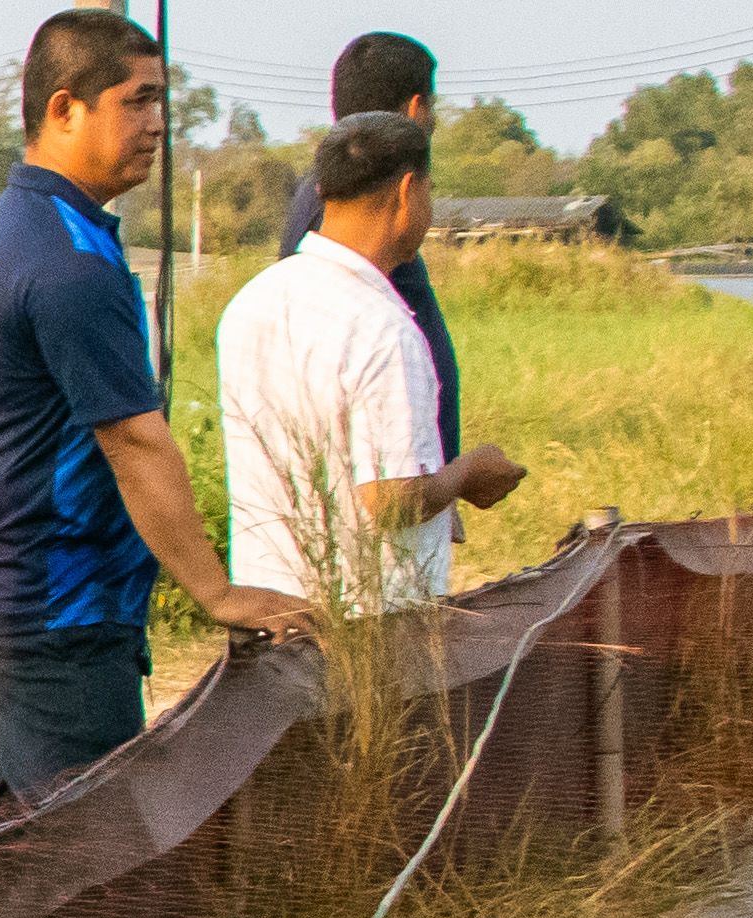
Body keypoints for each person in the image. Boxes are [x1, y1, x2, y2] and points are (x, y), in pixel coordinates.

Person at [0, 9, 312, 822]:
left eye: (161, 104)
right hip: (56, 611)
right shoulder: (71, 263)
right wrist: (216, 592)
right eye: (137, 102)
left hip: (11, 597)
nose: (157, 126)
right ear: (64, 109)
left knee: (13, 857)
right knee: (86, 869)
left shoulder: (11, 232)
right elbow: (136, 441)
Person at [221, 112, 526, 608]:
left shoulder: (252, 301)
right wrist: (467, 473)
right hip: (369, 625)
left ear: (322, 192)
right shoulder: (384, 326)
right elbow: (391, 500)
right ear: (409, 192)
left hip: (269, 605)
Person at [273, 29, 460, 455]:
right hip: (387, 486)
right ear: (416, 109)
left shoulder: (328, 197)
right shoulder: (361, 215)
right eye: (431, 106)